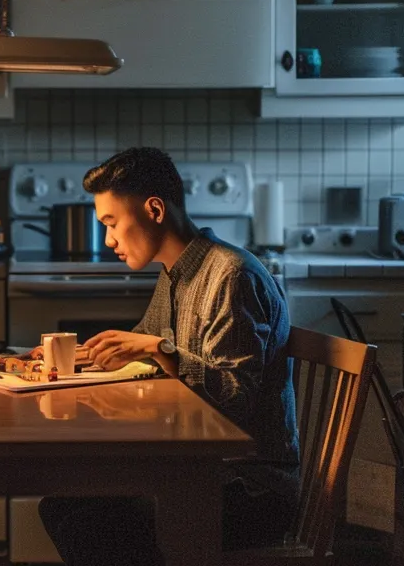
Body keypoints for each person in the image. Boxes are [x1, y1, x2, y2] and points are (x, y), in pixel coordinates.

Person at [38, 147, 300, 565]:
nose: (108, 240)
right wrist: (78, 355)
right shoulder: (176, 272)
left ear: (155, 210)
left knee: (84, 520)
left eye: (111, 223)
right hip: (198, 467)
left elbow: (235, 400)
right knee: (62, 506)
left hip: (250, 489)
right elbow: (138, 347)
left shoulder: (232, 275)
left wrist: (160, 350)